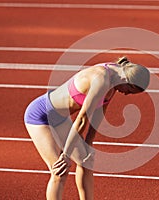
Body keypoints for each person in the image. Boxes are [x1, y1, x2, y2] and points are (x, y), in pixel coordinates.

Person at [24, 56, 150, 200]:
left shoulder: (116, 77)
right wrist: (65, 155)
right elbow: (82, 118)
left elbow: (100, 111)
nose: (127, 94)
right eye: (130, 91)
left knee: (86, 160)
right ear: (127, 80)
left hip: (60, 118)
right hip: (42, 115)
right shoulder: (102, 79)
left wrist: (89, 143)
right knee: (60, 170)